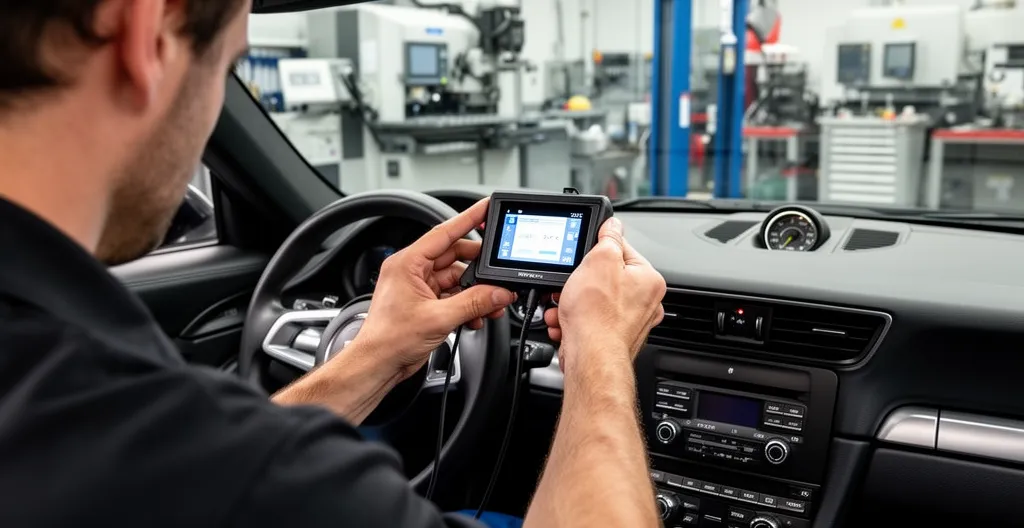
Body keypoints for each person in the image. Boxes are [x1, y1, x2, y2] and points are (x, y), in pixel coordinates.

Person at [0, 1, 668, 527]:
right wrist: (601, 350)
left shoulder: (91, 418)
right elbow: (233, 472)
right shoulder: (198, 452)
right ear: (146, 29)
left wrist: (372, 357)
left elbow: (189, 476)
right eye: (224, 68)